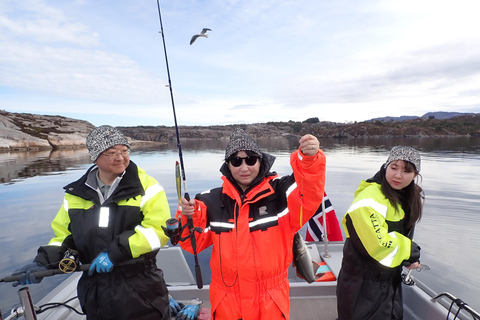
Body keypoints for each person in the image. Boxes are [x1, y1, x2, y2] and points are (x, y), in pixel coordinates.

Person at [11, 125, 171, 320]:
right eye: (111, 153)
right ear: (95, 157)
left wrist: (114, 253)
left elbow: (158, 231)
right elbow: (64, 236)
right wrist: (44, 262)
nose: (120, 158)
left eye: (124, 151)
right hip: (94, 295)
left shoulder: (148, 187)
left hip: (140, 291)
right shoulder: (75, 194)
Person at [177, 128, 326, 320]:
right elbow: (192, 244)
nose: (244, 167)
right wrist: (187, 215)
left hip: (270, 302)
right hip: (226, 303)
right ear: (228, 165)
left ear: (260, 160)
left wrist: (309, 160)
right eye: (236, 161)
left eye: (250, 159)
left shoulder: (280, 192)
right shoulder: (208, 200)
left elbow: (309, 195)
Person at [336, 146, 424, 320]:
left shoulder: (407, 197)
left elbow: (398, 237)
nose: (398, 175)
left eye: (407, 170)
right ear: (385, 167)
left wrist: (406, 259)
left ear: (415, 175)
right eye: (393, 167)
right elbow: (378, 245)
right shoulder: (369, 198)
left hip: (388, 282)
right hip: (362, 286)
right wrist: (411, 253)